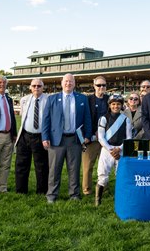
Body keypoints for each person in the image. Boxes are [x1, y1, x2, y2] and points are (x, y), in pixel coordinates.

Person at [42, 73, 92, 203]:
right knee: (54, 169)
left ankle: (74, 195)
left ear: (74, 84)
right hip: (56, 140)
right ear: (61, 82)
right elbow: (46, 120)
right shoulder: (52, 99)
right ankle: (51, 195)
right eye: (66, 81)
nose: (68, 83)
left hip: (74, 140)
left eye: (71, 81)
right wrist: (45, 137)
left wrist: (87, 135)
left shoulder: (82, 99)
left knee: (74, 169)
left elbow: (87, 118)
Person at [95, 95, 132, 206]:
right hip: (107, 150)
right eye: (113, 104)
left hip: (120, 149)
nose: (116, 106)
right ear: (110, 105)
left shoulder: (126, 120)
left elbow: (129, 138)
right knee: (102, 175)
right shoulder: (103, 118)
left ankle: (121, 200)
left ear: (121, 106)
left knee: (121, 175)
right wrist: (111, 149)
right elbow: (101, 137)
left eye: (118, 104)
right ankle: (98, 200)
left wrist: (119, 148)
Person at [14, 79, 49, 195]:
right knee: (21, 164)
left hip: (40, 137)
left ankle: (42, 190)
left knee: (41, 166)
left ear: (43, 87)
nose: (36, 88)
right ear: (30, 87)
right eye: (34, 86)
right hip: (25, 135)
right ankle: (21, 190)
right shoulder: (24, 100)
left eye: (39, 86)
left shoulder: (48, 100)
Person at [82, 76, 109, 195]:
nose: (101, 87)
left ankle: (104, 189)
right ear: (94, 86)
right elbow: (85, 119)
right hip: (92, 138)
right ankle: (86, 189)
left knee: (105, 166)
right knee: (88, 166)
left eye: (103, 85)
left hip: (107, 138)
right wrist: (94, 132)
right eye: (99, 85)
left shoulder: (109, 99)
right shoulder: (88, 100)